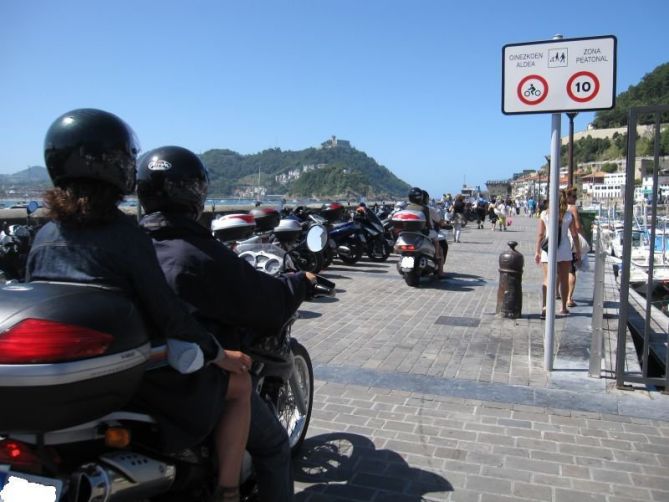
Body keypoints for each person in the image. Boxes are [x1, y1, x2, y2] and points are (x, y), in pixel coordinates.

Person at [25, 109, 251, 502]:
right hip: (130, 375)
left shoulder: (45, 232)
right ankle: (228, 489)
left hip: (66, 379)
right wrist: (219, 354)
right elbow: (168, 313)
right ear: (120, 165)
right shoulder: (124, 235)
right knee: (241, 384)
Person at [136, 145, 318, 502]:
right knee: (276, 448)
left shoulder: (129, 245)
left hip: (137, 379)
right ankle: (230, 489)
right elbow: (264, 304)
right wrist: (300, 283)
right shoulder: (198, 254)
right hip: (190, 380)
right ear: (195, 194)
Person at [535, 189, 582, 318]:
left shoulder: (545, 214)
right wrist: (578, 250)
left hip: (548, 250)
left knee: (547, 279)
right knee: (563, 280)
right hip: (564, 250)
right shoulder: (568, 216)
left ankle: (545, 307)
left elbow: (540, 234)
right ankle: (563, 307)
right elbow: (574, 234)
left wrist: (537, 251)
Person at [406, 187, 444, 277]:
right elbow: (429, 223)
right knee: (436, 239)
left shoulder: (407, 207)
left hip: (409, 231)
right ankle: (438, 262)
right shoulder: (425, 208)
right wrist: (430, 228)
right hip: (423, 232)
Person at [566, 187, 583, 308]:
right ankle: (569, 298)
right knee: (571, 270)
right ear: (568, 197)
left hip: (558, 241)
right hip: (570, 241)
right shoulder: (573, 208)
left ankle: (556, 293)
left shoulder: (558, 208)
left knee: (559, 269)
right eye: (574, 197)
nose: (575, 199)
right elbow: (576, 228)